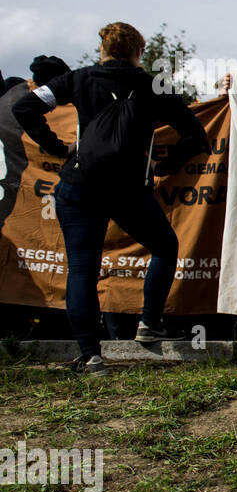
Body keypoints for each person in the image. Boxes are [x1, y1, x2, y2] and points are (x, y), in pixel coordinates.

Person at [11, 22, 209, 374]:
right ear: (138, 52)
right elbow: (195, 135)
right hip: (128, 187)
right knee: (164, 247)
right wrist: (166, 163)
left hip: (79, 183)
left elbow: (25, 107)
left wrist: (58, 147)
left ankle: (91, 357)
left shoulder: (78, 79)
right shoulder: (154, 86)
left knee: (82, 269)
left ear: (103, 49)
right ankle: (149, 323)